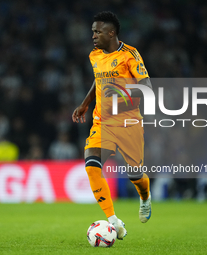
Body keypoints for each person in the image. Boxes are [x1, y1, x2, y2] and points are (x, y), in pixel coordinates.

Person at [72, 11, 152, 240]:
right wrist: (85, 103)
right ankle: (114, 222)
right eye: (92, 31)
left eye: (97, 31)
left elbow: (146, 87)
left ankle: (145, 197)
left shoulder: (130, 55)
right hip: (102, 122)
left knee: (135, 174)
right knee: (91, 165)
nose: (93, 35)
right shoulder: (95, 55)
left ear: (111, 32)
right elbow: (99, 79)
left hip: (128, 122)